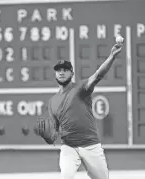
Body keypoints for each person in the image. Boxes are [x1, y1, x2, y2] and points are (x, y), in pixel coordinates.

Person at [47, 43, 123, 179]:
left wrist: (111, 56)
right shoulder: (52, 102)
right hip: (68, 147)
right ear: (55, 74)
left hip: (90, 145)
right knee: (66, 176)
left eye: (65, 69)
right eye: (59, 70)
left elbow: (98, 75)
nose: (62, 72)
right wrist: (51, 133)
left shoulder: (81, 88)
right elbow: (56, 129)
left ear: (72, 73)